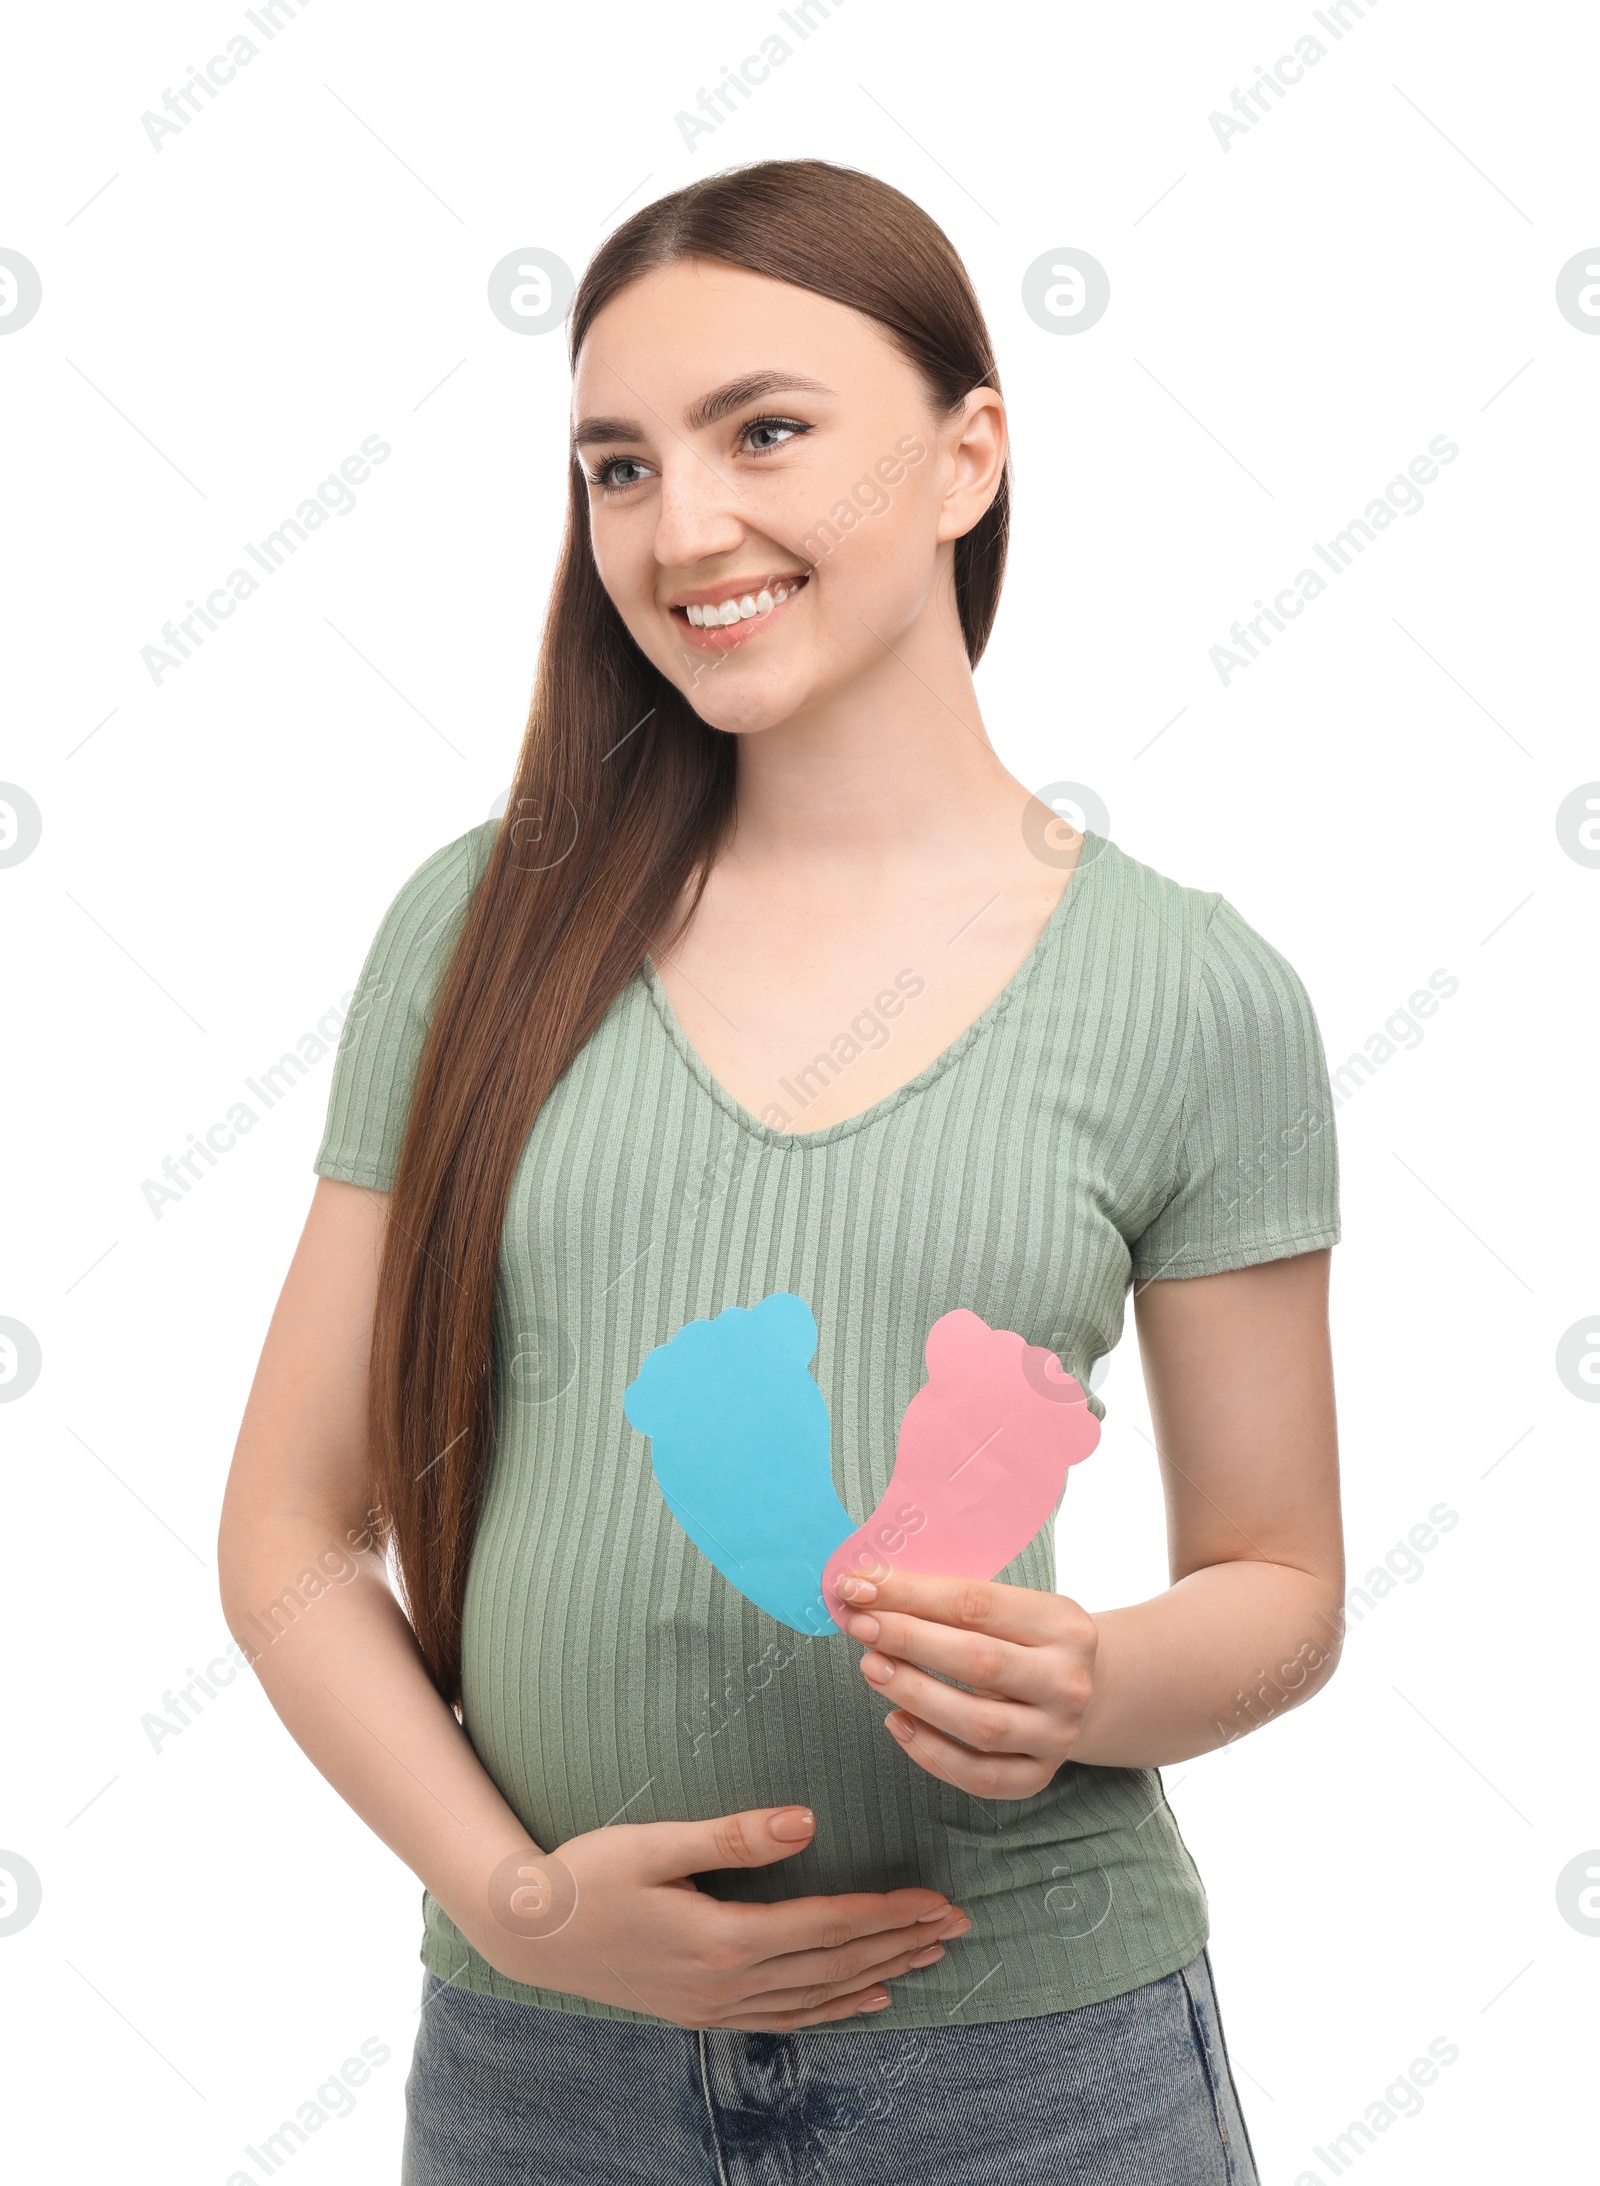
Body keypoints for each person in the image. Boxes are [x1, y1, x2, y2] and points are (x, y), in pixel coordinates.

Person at [218, 157, 1343, 2184]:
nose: (684, 526)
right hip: (545, 2078)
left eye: (763, 432)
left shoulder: (1190, 990)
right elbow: (292, 1534)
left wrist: (1088, 1682)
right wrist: (520, 1897)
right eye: (618, 466)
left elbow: (1278, 1585)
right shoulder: (478, 928)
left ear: (962, 455)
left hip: (1034, 2076)